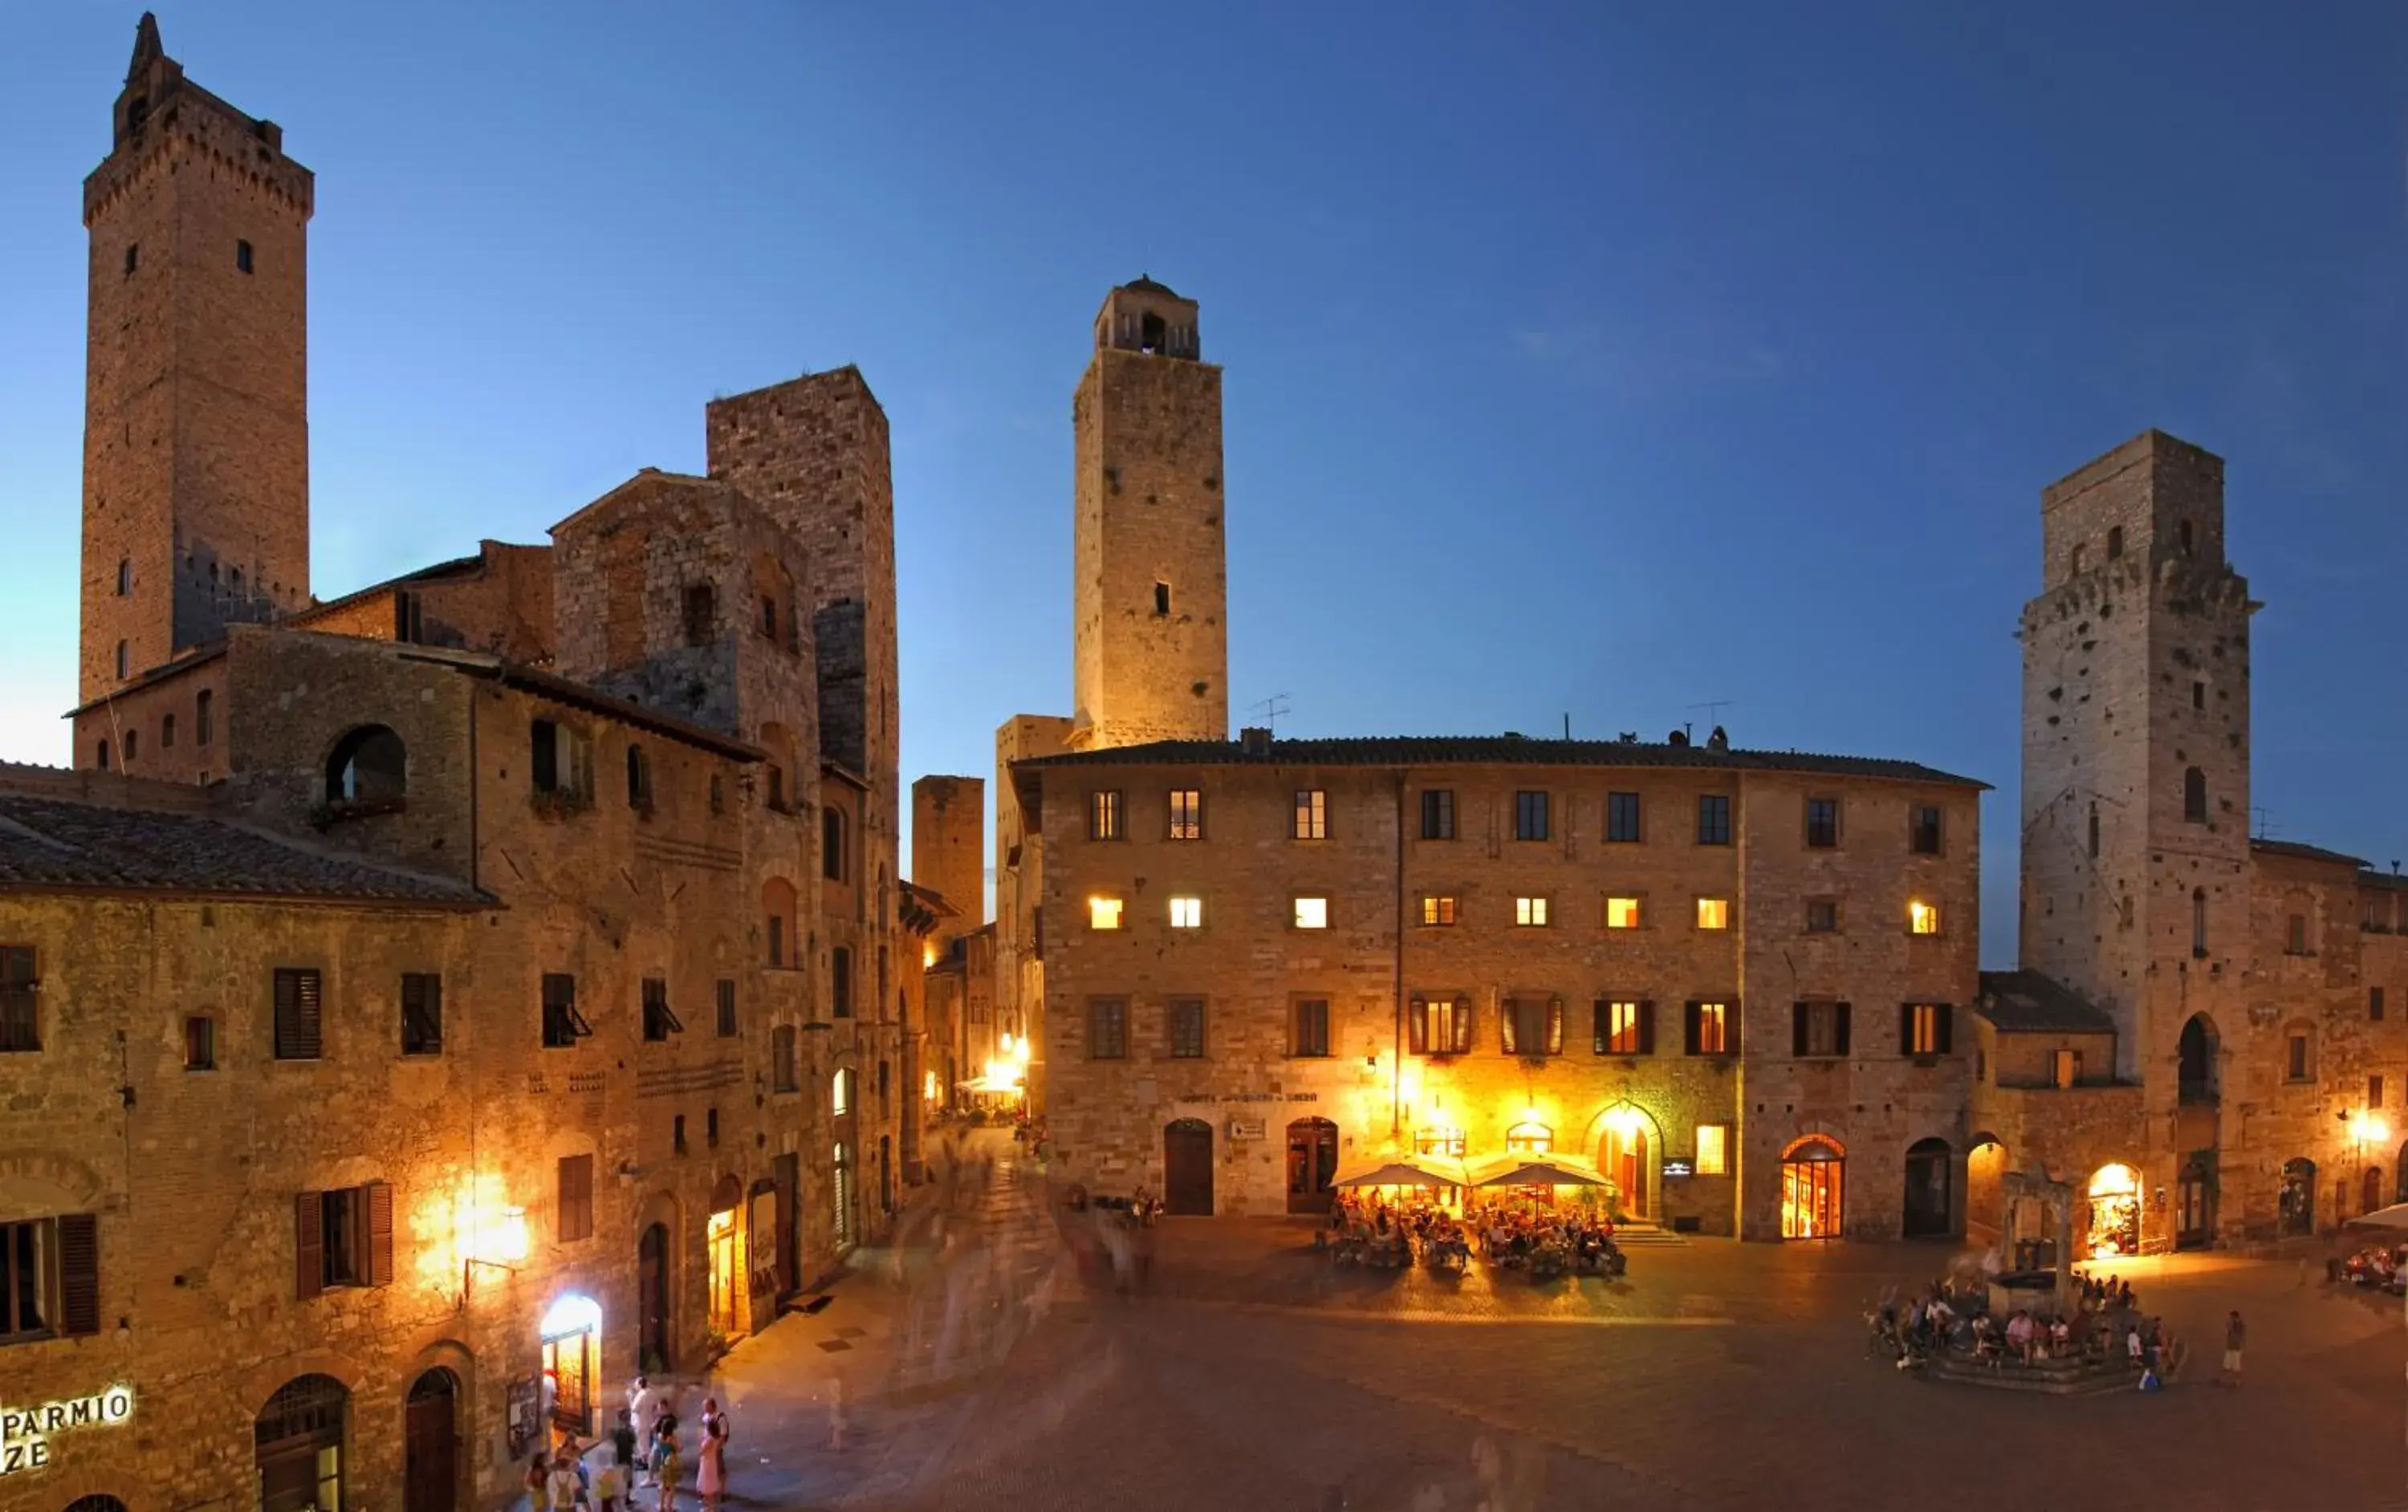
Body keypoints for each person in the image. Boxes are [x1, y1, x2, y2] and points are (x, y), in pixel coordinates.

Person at [697, 1410, 728, 1510]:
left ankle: (711, 1507)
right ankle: (711, 1507)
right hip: (711, 1462)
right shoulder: (716, 1438)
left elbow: (702, 1451)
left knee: (706, 1485)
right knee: (710, 1483)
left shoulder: (710, 1440)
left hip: (707, 1463)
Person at [2221, 1310, 2245, 1387]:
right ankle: (2236, 1379)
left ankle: (2229, 1379)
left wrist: (2227, 1327)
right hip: (2237, 1346)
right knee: (2236, 1364)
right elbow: (2242, 1336)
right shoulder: (2241, 1324)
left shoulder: (2231, 1324)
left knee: (2228, 1363)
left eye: (2231, 1316)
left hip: (2231, 1345)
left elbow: (2228, 1332)